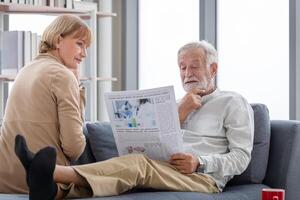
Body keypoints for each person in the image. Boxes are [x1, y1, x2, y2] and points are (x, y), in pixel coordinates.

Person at [14, 40, 254, 199]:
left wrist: (200, 162)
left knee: (137, 165)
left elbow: (241, 157)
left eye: (195, 66)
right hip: (166, 167)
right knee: (129, 168)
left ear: (213, 69)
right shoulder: (179, 103)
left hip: (203, 178)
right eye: (182, 68)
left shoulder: (233, 102)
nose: (187, 73)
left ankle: (50, 171)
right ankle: (53, 192)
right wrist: (179, 112)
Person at [0, 14, 91, 194]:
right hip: (39, 183)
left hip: (5, 179)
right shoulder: (63, 76)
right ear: (58, 40)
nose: (84, 54)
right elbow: (74, 149)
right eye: (80, 44)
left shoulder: (25, 71)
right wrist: (77, 86)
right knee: (104, 181)